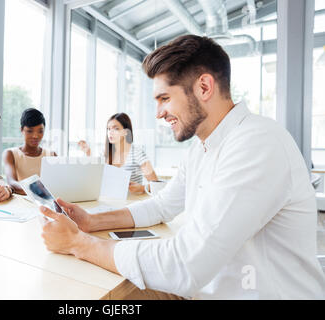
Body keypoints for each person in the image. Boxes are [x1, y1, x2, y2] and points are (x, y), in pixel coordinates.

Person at [38, 35, 325, 299]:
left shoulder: (257, 143)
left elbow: (186, 264)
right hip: (204, 290)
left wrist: (79, 244)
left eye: (164, 98)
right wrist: (91, 222)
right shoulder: (202, 147)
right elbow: (162, 206)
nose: (159, 113)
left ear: (203, 87)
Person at [78, 113, 158, 194]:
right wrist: (88, 154)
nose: (110, 132)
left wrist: (143, 188)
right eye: (108, 129)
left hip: (131, 203)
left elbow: (156, 185)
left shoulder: (137, 153)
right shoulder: (104, 153)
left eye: (116, 129)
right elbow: (93, 177)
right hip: (107, 200)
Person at [3, 108, 56, 195]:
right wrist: (38, 191)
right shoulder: (10, 154)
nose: (35, 136)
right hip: (22, 202)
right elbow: (12, 183)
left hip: (46, 202)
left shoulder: (51, 155)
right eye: (30, 131)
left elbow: (57, 183)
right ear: (21, 130)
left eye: (40, 131)